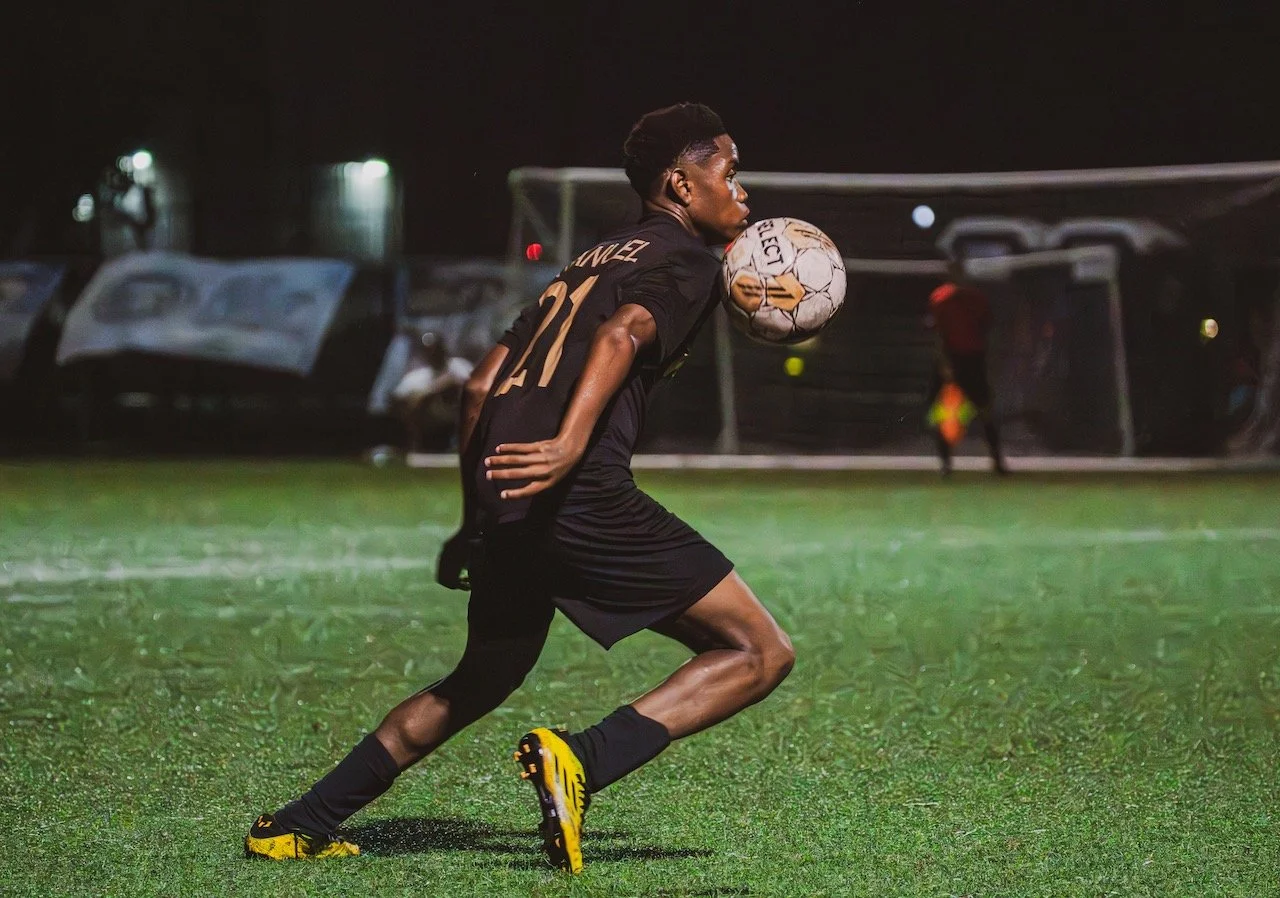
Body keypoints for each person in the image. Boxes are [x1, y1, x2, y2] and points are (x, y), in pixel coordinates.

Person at [245, 102, 794, 874]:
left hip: (511, 497)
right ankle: (585, 760)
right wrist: (570, 445)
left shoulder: (590, 259)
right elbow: (620, 336)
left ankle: (301, 822)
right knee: (760, 650)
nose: (742, 190)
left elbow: (480, 386)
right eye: (729, 172)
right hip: (580, 493)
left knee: (483, 676)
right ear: (681, 182)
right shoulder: (691, 260)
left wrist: (476, 521)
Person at [927, 262, 1007, 475]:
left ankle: (997, 461)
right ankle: (946, 464)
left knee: (985, 410)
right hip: (953, 360)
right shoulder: (941, 298)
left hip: (973, 359)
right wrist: (944, 364)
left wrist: (987, 359)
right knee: (944, 413)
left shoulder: (976, 299)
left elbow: (986, 330)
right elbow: (938, 335)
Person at [390, 330, 474, 453]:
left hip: (457, 419)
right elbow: (397, 398)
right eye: (429, 349)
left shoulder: (459, 366)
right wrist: (431, 391)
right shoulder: (417, 375)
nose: (433, 353)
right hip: (429, 424)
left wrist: (450, 385)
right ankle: (416, 444)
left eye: (435, 348)